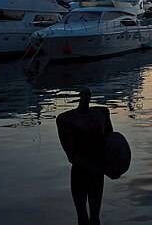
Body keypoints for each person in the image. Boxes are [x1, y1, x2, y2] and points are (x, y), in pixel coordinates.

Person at [56, 88, 113, 225]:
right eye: (84, 95)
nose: (87, 97)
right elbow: (71, 155)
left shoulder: (102, 113)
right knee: (82, 214)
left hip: (97, 170)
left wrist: (110, 166)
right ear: (80, 96)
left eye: (89, 95)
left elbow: (111, 141)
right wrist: (98, 166)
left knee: (95, 215)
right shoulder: (66, 119)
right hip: (80, 171)